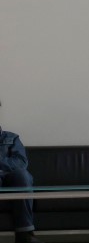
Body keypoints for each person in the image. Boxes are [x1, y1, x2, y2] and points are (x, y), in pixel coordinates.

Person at [0, 100, 43, 243]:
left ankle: (25, 235)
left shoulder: (11, 138)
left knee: (23, 175)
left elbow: (21, 162)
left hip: (11, 177)